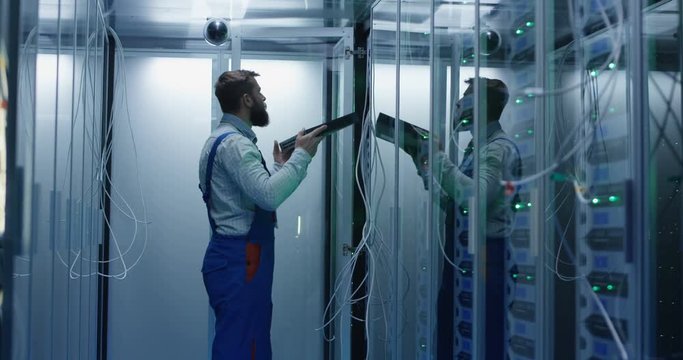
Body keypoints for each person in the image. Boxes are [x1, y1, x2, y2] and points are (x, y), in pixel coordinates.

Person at [198, 70, 326, 360]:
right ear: (246, 99)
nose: (263, 97)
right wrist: (302, 156)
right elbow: (268, 197)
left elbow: (253, 193)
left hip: (238, 258)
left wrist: (281, 166)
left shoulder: (223, 140)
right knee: (241, 347)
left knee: (249, 341)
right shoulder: (236, 145)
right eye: (258, 92)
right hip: (240, 260)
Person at [413, 77, 521, 359]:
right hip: (463, 257)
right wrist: (426, 170)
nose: (459, 104)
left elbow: (475, 198)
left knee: (486, 341)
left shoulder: (500, 149)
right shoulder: (477, 148)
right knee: (453, 338)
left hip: (488, 258)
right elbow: (455, 202)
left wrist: (438, 159)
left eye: (466, 97)